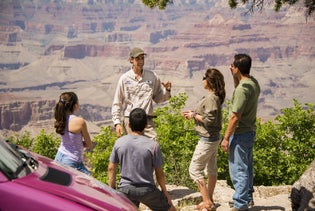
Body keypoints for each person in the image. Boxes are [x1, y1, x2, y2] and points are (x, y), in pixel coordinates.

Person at [108, 108, 176, 211]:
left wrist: (112, 190)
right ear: (145, 125)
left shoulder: (119, 143)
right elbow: (159, 173)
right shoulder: (153, 146)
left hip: (126, 190)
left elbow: (111, 168)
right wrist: (164, 191)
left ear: (129, 125)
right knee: (170, 209)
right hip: (147, 190)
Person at [221, 54, 260, 211]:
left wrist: (226, 138)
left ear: (237, 68)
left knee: (238, 170)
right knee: (247, 168)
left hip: (240, 134)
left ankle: (240, 205)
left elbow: (235, 117)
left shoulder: (242, 91)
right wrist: (234, 77)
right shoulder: (253, 83)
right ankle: (247, 199)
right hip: (249, 131)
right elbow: (239, 88)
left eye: (233, 66)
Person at [182, 68, 226, 211]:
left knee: (194, 170)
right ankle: (210, 199)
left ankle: (207, 202)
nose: (202, 80)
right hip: (214, 138)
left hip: (207, 140)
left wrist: (194, 116)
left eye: (204, 78)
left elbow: (209, 120)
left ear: (210, 82)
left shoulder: (211, 98)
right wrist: (193, 113)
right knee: (211, 169)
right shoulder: (214, 97)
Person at [112, 47, 172, 140]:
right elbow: (117, 102)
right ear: (131, 60)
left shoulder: (152, 76)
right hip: (130, 122)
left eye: (142, 58)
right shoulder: (124, 78)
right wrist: (117, 123)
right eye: (137, 58)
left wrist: (167, 91)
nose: (141, 61)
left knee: (153, 146)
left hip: (147, 121)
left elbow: (158, 99)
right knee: (133, 149)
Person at [54, 91, 93, 175]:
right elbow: (89, 144)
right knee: (90, 184)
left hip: (59, 156)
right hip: (72, 161)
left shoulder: (60, 118)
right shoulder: (79, 121)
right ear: (75, 105)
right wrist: (78, 143)